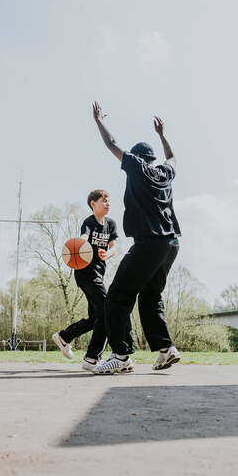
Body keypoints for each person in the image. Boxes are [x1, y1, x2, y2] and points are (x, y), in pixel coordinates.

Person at [89, 102, 182, 375]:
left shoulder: (137, 167)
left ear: (137, 159)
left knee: (117, 296)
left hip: (149, 243)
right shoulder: (164, 174)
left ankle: (121, 356)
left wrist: (98, 121)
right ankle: (166, 349)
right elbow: (172, 158)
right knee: (150, 295)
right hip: (171, 244)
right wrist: (162, 135)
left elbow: (112, 144)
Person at [51, 189, 119, 371]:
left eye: (109, 200)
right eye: (103, 200)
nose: (107, 203)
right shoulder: (89, 222)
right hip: (85, 273)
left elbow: (114, 247)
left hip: (98, 274)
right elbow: (83, 237)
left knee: (96, 317)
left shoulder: (111, 224)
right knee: (107, 310)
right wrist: (79, 245)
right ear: (93, 204)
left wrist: (107, 254)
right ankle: (92, 358)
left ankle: (64, 336)